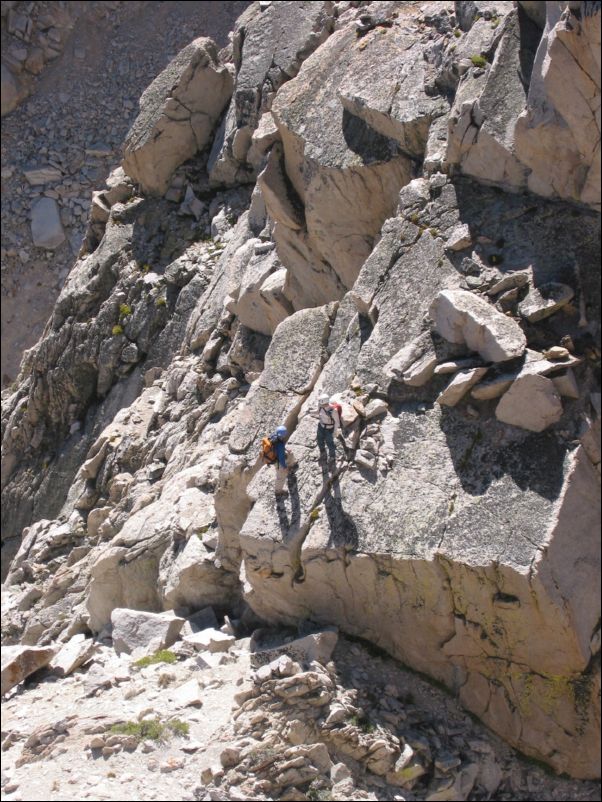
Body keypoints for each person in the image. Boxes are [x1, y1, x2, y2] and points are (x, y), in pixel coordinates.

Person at [261, 425, 296, 495]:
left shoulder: (273, 436)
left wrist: (285, 449)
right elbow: (281, 459)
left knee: (290, 454)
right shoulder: (279, 444)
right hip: (276, 460)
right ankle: (278, 491)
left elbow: (276, 448)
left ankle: (291, 466)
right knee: (281, 476)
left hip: (274, 455)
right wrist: (285, 467)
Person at [317, 393, 341, 467]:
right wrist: (310, 412)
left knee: (330, 443)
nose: (320, 404)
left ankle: (332, 457)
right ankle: (322, 451)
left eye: (321, 403)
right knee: (319, 440)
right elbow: (318, 411)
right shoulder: (320, 406)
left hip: (329, 429)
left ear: (326, 403)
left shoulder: (333, 411)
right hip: (321, 426)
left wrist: (334, 432)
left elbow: (337, 423)